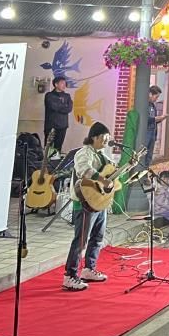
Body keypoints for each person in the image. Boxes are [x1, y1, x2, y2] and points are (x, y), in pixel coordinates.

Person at [63, 122, 113, 291]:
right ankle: (70, 276)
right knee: (80, 241)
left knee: (97, 238)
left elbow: (111, 172)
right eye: (104, 138)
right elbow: (83, 170)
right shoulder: (83, 153)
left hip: (99, 201)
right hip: (85, 202)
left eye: (108, 138)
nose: (107, 141)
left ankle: (88, 269)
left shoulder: (102, 154)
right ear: (94, 137)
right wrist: (102, 178)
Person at [44, 76, 73, 155]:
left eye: (65, 83)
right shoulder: (49, 95)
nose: (64, 85)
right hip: (51, 126)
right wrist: (63, 106)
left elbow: (69, 108)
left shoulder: (67, 96)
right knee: (48, 147)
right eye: (62, 83)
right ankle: (45, 165)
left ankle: (55, 164)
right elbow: (53, 106)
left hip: (63, 126)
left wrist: (60, 106)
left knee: (58, 147)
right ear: (56, 84)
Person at [145, 85, 167, 167]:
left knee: (149, 155)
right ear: (150, 94)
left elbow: (154, 120)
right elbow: (146, 119)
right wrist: (155, 119)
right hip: (146, 133)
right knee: (144, 154)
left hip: (153, 133)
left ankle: (146, 171)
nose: (156, 99)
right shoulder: (145, 105)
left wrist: (160, 119)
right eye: (156, 96)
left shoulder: (153, 106)